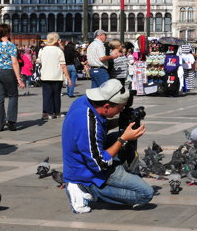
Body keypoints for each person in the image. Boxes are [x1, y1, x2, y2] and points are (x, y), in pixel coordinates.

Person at [62, 79, 152, 213]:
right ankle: (85, 189)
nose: (120, 111)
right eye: (120, 108)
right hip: (87, 172)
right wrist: (123, 139)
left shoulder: (85, 102)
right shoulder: (86, 123)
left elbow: (99, 128)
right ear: (106, 106)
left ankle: (108, 183)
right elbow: (100, 164)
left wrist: (122, 121)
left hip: (87, 159)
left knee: (118, 137)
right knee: (146, 193)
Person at [0, 23, 25, 131]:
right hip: (8, 72)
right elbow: (14, 63)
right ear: (8, 33)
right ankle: (11, 121)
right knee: (13, 96)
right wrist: (19, 79)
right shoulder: (11, 45)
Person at [39, 32, 72, 119]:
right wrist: (68, 78)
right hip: (56, 76)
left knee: (46, 95)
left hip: (45, 75)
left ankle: (46, 113)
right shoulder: (59, 51)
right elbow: (63, 65)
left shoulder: (42, 50)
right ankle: (56, 112)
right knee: (56, 95)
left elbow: (38, 61)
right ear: (56, 40)